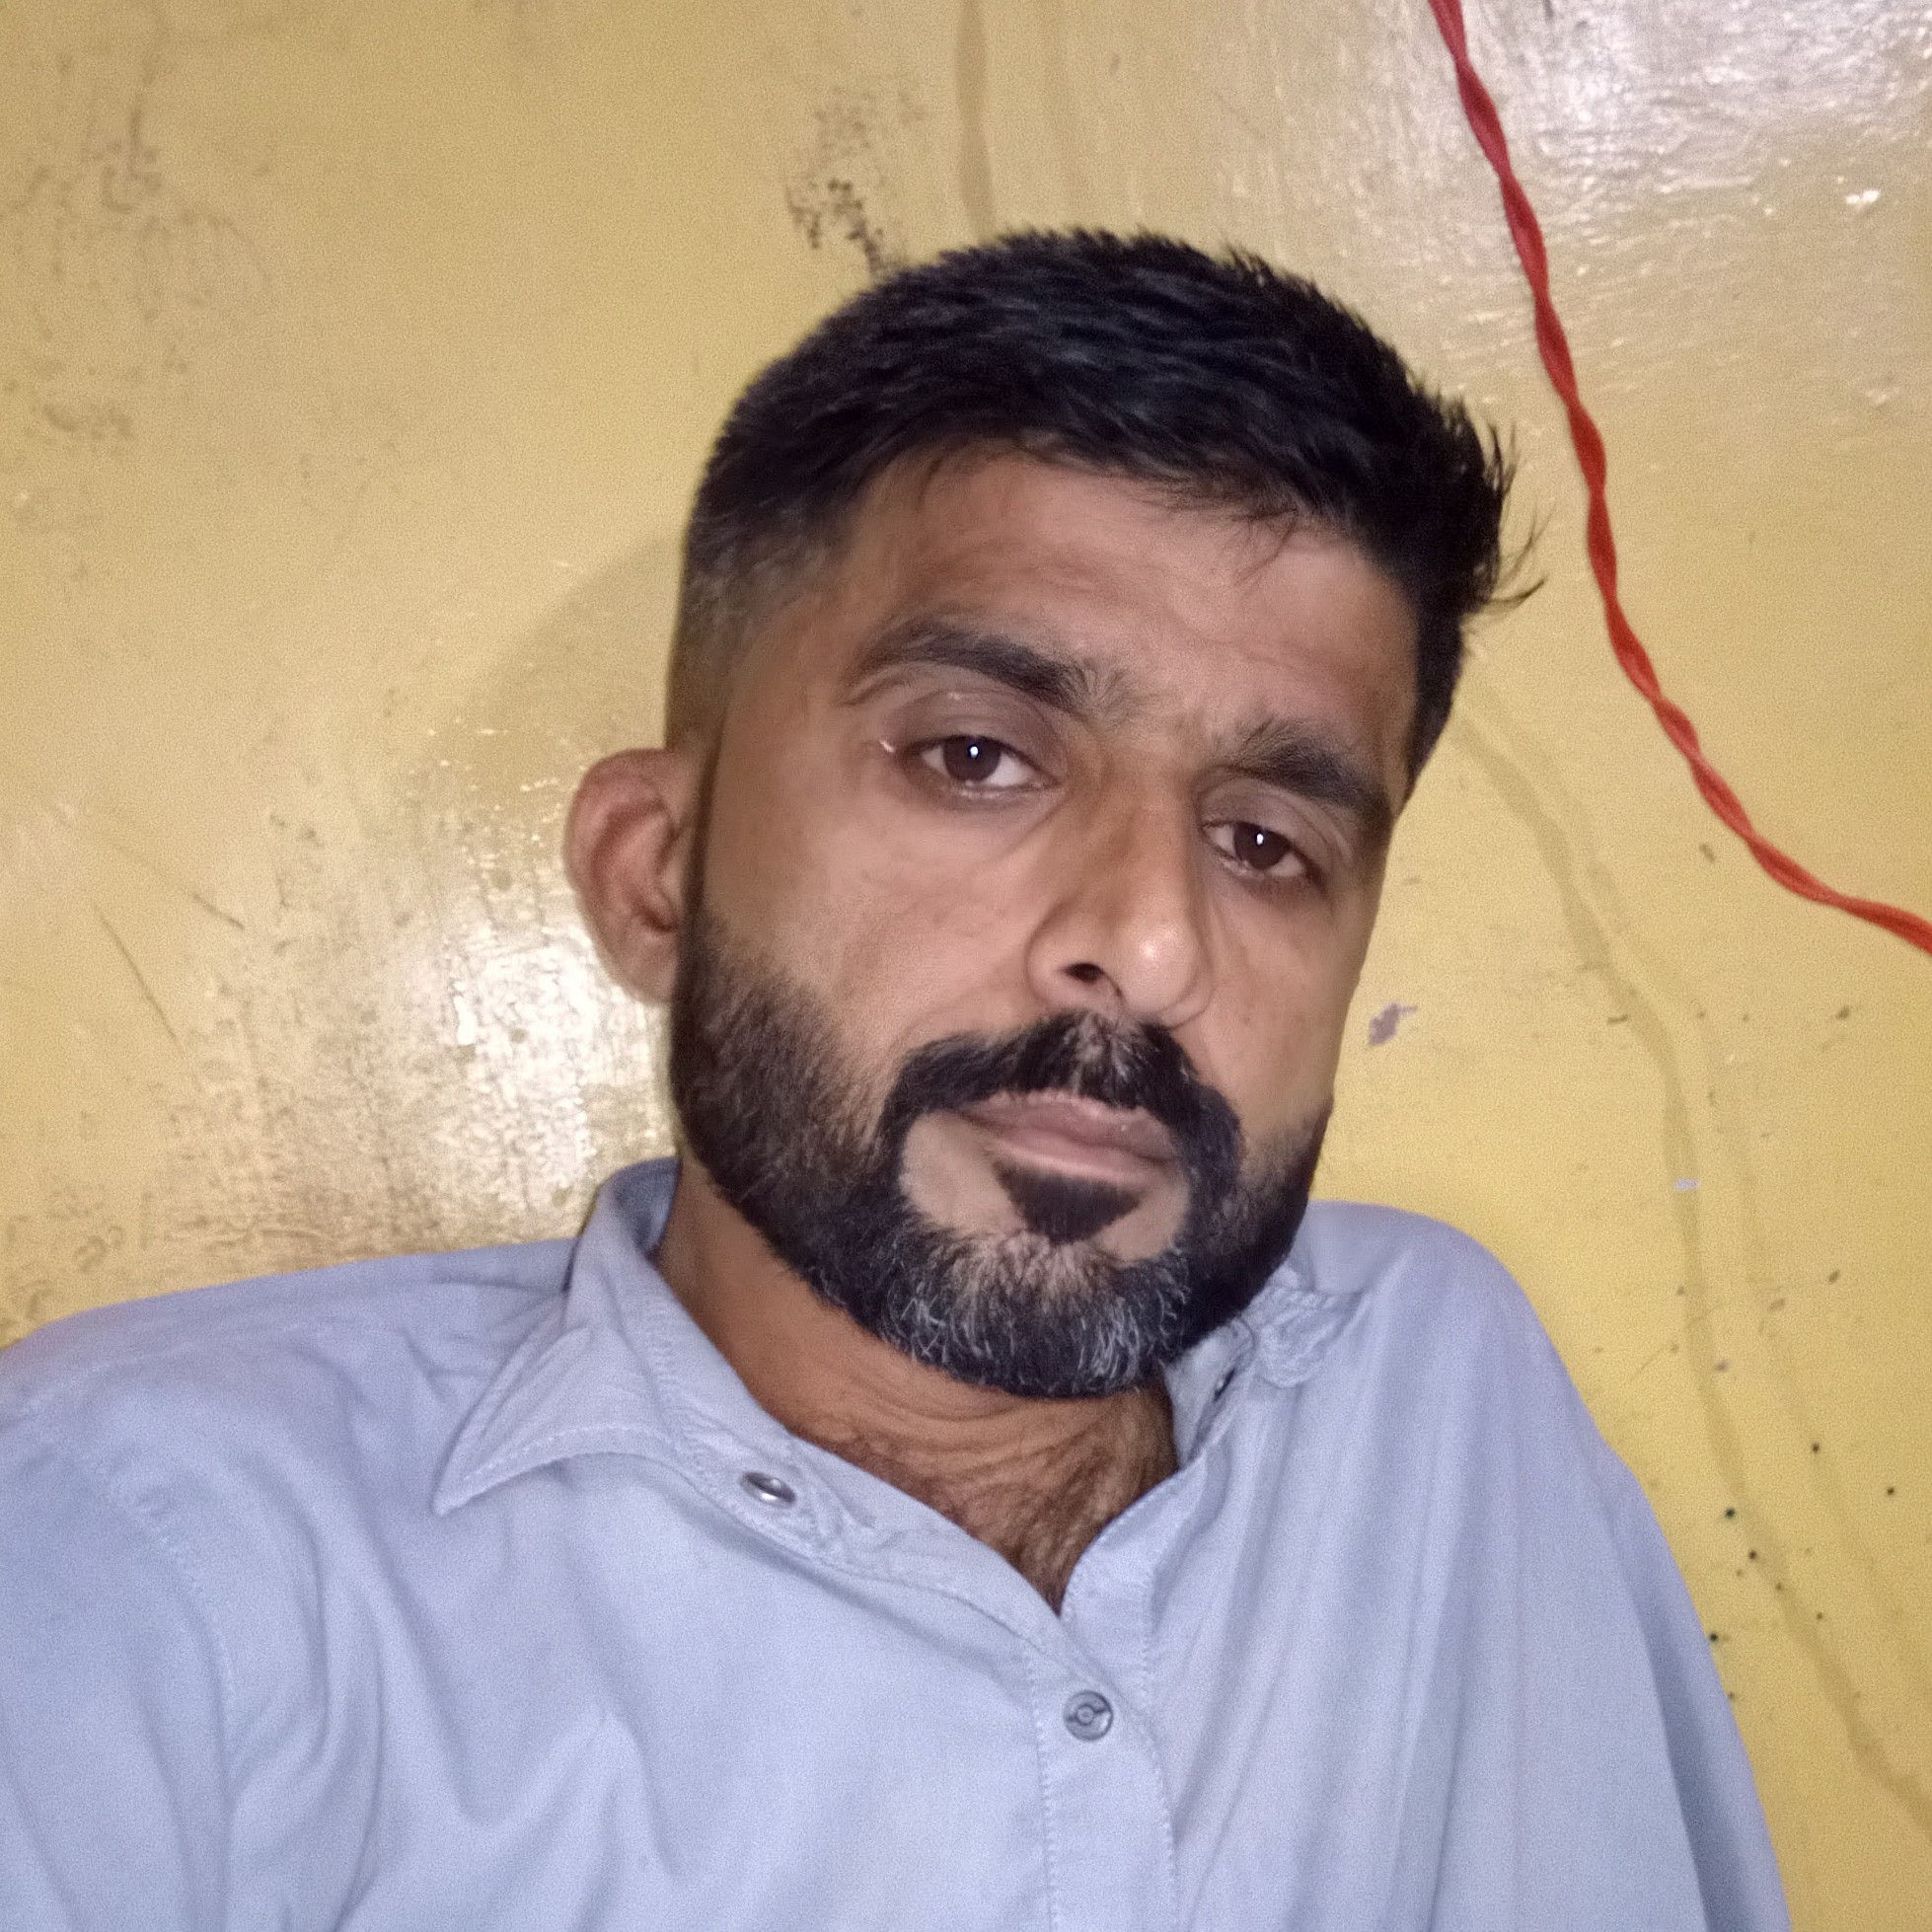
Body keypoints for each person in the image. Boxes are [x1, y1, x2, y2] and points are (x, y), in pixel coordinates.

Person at [0, 231, 1787, 1930]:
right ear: (657, 874)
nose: (1147, 943)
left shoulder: (1435, 1396)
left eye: (1263, 840)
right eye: (977, 756)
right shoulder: (147, 1547)